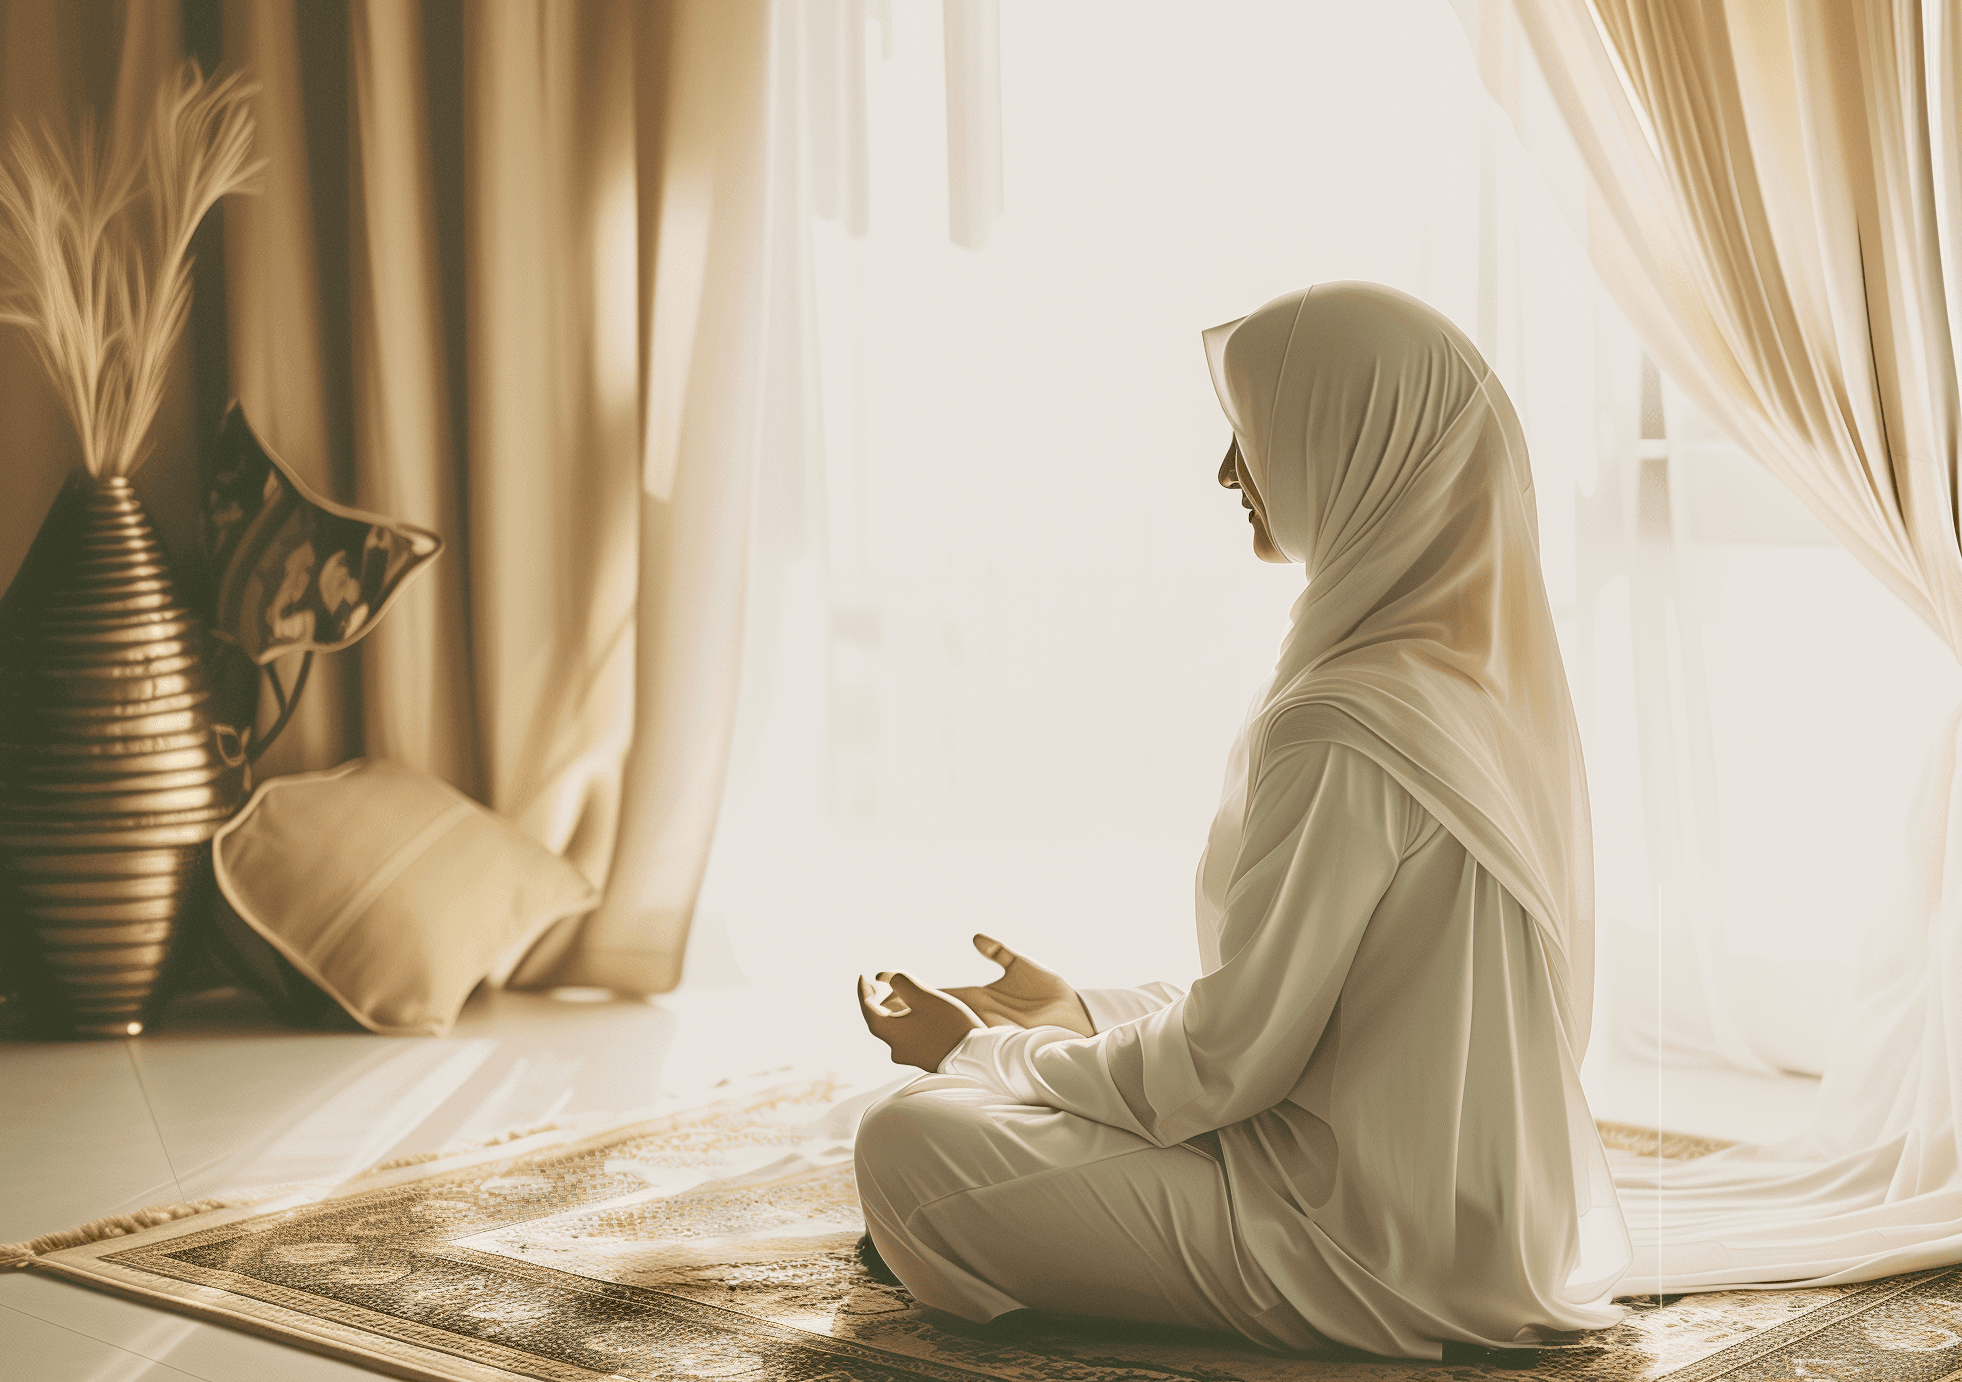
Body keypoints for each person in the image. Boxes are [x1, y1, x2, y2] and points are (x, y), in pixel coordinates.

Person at [851, 282, 1632, 1360]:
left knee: (906, 1140)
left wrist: (986, 1049)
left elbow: (1228, 1067)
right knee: (996, 1120)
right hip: (1481, 1220)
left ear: (1356, 446)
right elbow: (1332, 1013)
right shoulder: (1470, 683)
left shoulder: (1344, 719)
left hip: (1365, 1244)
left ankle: (969, 1240)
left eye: (1257, 433)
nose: (1226, 470)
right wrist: (1081, 1008)